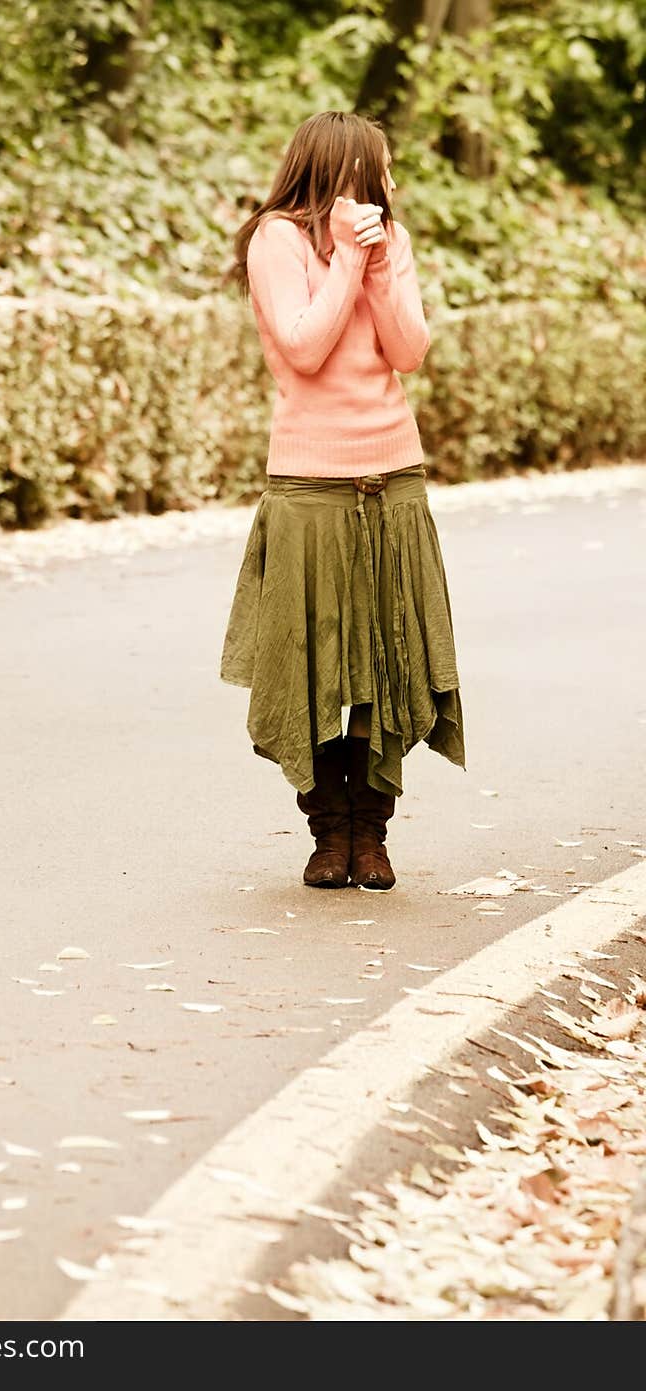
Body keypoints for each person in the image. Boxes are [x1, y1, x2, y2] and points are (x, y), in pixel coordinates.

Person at [220, 110, 466, 892]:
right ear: (345, 171)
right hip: (309, 486)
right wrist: (349, 261)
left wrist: (378, 259)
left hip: (393, 475)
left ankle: (373, 832)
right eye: (381, 170)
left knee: (386, 664)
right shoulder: (276, 240)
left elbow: (411, 351)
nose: (390, 185)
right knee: (313, 668)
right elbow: (304, 344)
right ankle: (328, 829)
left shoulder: (386, 241)